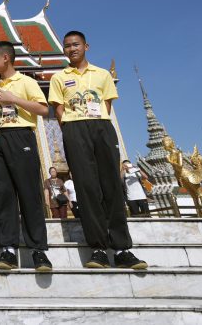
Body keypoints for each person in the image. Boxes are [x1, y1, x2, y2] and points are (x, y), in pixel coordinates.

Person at [49, 31, 147, 270]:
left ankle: (122, 248)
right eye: (68, 46)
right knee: (86, 188)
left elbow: (107, 104)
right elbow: (58, 109)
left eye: (76, 44)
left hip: (101, 126)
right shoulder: (59, 77)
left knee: (111, 185)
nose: (72, 49)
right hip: (74, 129)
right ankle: (98, 248)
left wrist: (95, 122)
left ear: (86, 46)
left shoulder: (102, 74)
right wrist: (71, 128)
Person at [0, 41, 52, 272]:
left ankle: (38, 251)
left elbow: (43, 109)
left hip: (21, 136)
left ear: (5, 58)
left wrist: (15, 100)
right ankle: (8, 248)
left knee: (29, 193)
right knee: (2, 195)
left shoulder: (26, 82)